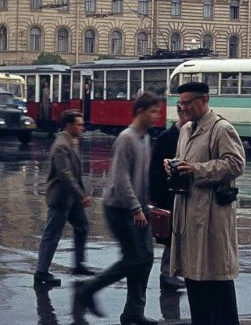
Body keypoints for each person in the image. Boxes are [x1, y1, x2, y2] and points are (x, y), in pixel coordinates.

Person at [73, 92, 162, 325]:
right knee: (134, 258)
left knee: (145, 259)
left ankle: (134, 311)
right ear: (140, 111)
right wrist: (135, 208)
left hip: (139, 207)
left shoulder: (145, 138)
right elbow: (121, 179)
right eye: (153, 111)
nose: (157, 116)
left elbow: (142, 176)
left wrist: (148, 203)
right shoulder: (126, 138)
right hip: (119, 208)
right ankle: (87, 290)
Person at [167, 81, 246, 325]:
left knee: (217, 279)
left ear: (204, 100)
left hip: (212, 218)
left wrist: (197, 170)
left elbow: (236, 164)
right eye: (180, 104)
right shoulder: (185, 130)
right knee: (194, 281)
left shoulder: (221, 129)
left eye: (187, 103)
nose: (183, 108)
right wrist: (173, 166)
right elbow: (185, 161)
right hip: (189, 217)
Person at [34, 110, 92, 288]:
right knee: (52, 235)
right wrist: (81, 195)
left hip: (72, 199)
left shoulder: (72, 141)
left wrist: (81, 194)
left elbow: (76, 173)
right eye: (79, 125)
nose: (82, 128)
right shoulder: (61, 145)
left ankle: (79, 265)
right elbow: (65, 175)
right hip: (61, 198)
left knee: (83, 226)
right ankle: (41, 272)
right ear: (68, 125)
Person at [150, 105, 189, 292]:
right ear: (180, 114)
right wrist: (155, 197)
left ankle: (173, 272)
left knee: (178, 235)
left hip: (180, 194)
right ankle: (167, 274)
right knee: (170, 236)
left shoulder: (186, 134)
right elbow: (155, 169)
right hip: (167, 194)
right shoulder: (167, 136)